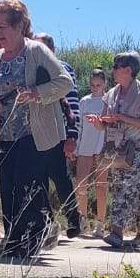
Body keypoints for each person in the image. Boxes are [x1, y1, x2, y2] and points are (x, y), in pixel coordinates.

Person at [0, 0, 74, 259]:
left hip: (33, 134)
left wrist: (36, 93)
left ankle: (27, 240)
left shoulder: (36, 51)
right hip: (3, 135)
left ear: (20, 26)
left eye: (3, 26)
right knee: (7, 187)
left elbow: (65, 82)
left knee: (26, 186)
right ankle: (14, 241)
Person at [90, 51, 140, 247]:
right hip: (119, 150)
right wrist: (98, 122)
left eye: (116, 66)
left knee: (124, 185)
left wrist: (123, 118)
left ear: (128, 70)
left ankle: (116, 232)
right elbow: (105, 123)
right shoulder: (112, 93)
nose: (112, 70)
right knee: (132, 190)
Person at [32, 32, 83, 243]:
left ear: (51, 51)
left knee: (60, 177)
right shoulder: (29, 70)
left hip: (57, 132)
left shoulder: (62, 69)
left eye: (41, 47)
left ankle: (73, 217)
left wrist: (72, 135)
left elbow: (73, 103)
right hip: (33, 133)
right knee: (38, 180)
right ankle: (49, 225)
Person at [73, 68, 110, 233]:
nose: (95, 88)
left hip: (102, 147)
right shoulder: (84, 101)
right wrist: (76, 147)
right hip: (85, 146)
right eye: (93, 85)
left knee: (101, 186)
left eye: (99, 85)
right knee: (81, 183)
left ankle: (101, 223)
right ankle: (82, 220)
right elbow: (79, 126)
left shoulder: (109, 101)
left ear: (105, 84)